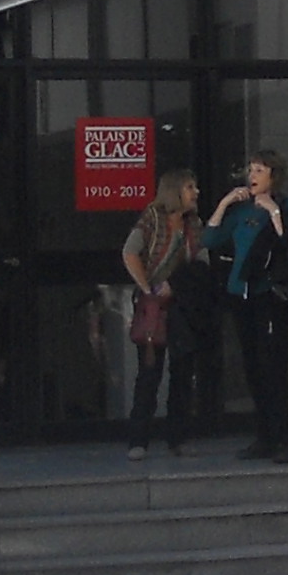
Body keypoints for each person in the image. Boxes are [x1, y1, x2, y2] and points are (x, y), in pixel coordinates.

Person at [210, 152, 288, 465]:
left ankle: (283, 438)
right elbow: (211, 238)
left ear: (274, 175)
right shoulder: (242, 210)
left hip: (269, 295)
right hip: (241, 294)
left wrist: (273, 212)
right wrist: (224, 204)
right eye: (251, 170)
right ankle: (264, 436)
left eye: (259, 170)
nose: (253, 175)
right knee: (253, 367)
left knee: (273, 366)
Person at [119, 170, 207, 458]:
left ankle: (177, 437)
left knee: (183, 372)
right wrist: (147, 288)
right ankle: (138, 440)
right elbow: (130, 252)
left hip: (181, 305)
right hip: (153, 307)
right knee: (149, 373)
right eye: (190, 187)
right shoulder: (152, 218)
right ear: (174, 191)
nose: (195, 192)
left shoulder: (194, 223)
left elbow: (202, 262)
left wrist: (178, 285)